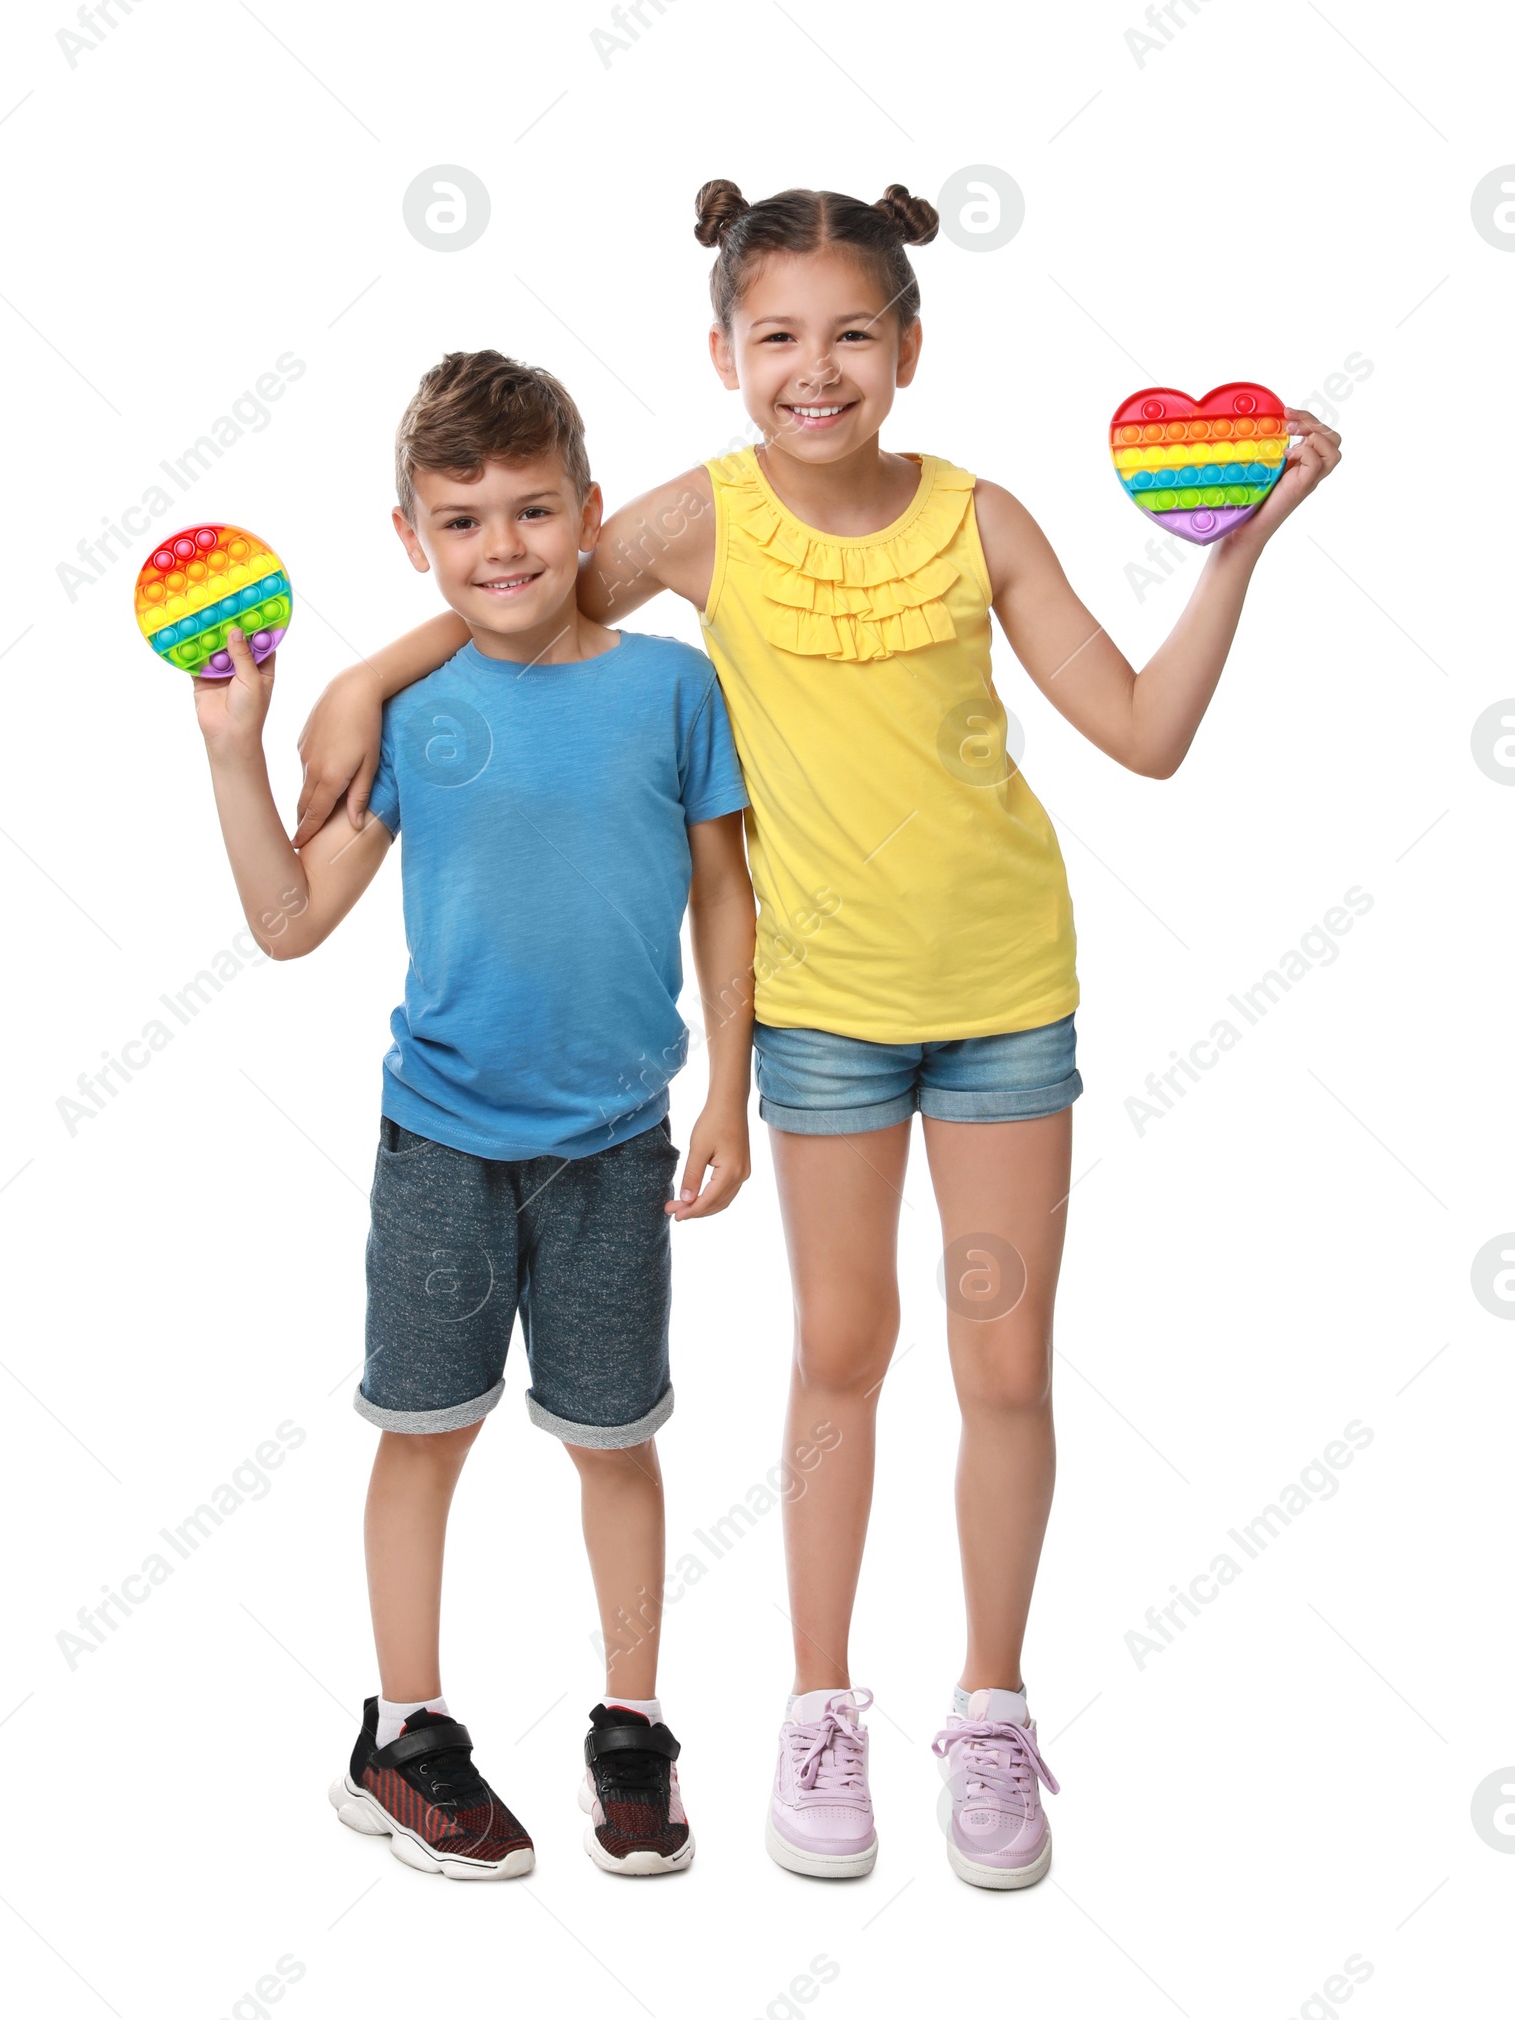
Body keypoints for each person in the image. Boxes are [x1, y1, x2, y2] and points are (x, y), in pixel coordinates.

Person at [289, 185, 1342, 1888]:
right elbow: (526, 595)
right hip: (825, 1020)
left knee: (1004, 1365)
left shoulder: (978, 519)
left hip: (1006, 1000)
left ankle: (990, 1709)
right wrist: (357, 686)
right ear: (722, 354)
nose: (816, 368)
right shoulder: (697, 525)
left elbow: (1143, 732)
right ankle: (816, 1711)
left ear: (910, 349)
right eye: (777, 336)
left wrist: (1242, 546)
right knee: (839, 1359)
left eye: (854, 332)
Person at [192, 349, 754, 1878]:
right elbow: (291, 924)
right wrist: (237, 753)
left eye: (527, 511)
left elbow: (724, 891)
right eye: (461, 522)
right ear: (411, 539)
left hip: (617, 1143)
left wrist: (731, 1086)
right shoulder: (413, 710)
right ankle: (404, 1734)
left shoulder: (674, 686)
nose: (498, 548)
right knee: (423, 1437)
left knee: (614, 1440)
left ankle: (631, 1728)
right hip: (441, 1143)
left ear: (585, 512)